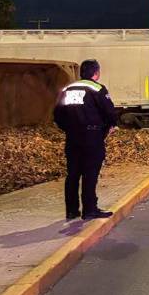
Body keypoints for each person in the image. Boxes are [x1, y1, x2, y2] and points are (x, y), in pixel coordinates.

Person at [52, 58, 118, 220]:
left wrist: (68, 129)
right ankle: (90, 209)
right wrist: (110, 126)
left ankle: (72, 210)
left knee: (73, 174)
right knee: (90, 173)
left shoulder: (67, 89)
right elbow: (110, 112)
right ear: (96, 73)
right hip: (92, 137)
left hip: (72, 137)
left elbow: (57, 115)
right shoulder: (97, 88)